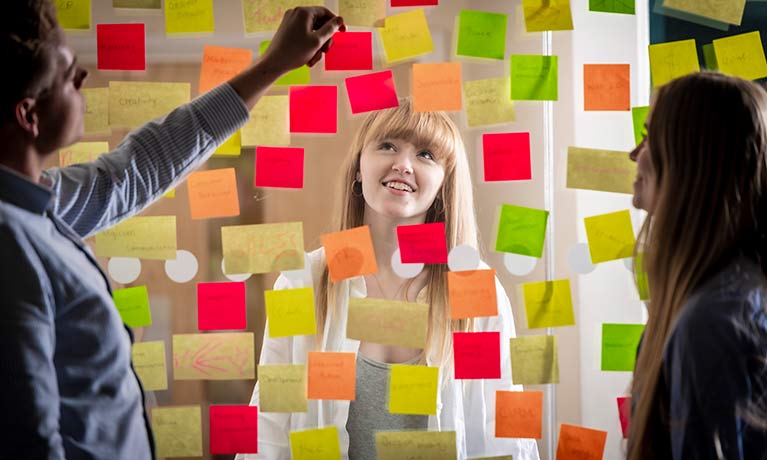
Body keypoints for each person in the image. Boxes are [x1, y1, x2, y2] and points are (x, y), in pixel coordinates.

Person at [0, 2, 344, 458]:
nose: (82, 77)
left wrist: (274, 64)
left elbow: (140, 166)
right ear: (29, 114)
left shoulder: (42, 204)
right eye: (66, 74)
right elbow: (30, 438)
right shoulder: (9, 243)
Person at [241, 100, 540, 460]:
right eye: (388, 146)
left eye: (426, 154)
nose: (403, 164)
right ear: (357, 168)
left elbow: (505, 431)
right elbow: (268, 426)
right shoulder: (304, 280)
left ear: (445, 184)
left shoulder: (476, 290)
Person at [627, 72, 767, 459]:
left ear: (692, 159)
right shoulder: (718, 301)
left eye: (649, 136)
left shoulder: (712, 321)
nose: (635, 154)